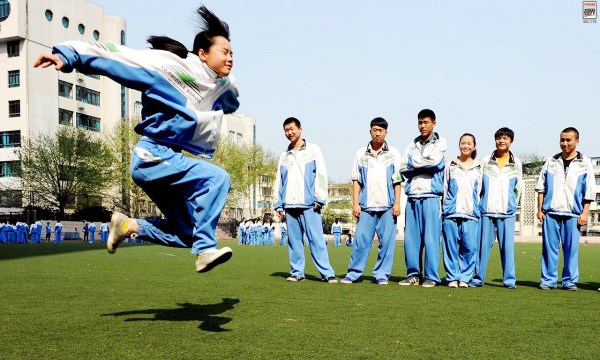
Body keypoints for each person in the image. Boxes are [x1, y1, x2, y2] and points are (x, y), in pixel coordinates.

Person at [34, 6, 238, 273]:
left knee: (185, 232)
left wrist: (227, 103)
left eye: (233, 53)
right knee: (218, 179)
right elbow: (118, 57)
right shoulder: (169, 68)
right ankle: (204, 250)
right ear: (202, 53)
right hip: (152, 156)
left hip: (166, 162)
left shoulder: (221, 84)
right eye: (225, 51)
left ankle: (129, 226)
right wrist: (69, 55)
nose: (231, 57)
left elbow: (230, 99)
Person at [274, 117, 337, 283]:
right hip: (289, 204)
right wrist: (278, 203)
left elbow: (321, 175)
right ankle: (297, 272)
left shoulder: (313, 150)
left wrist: (320, 197)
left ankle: (327, 273)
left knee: (316, 239)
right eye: (286, 130)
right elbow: (278, 180)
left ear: (300, 129)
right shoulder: (284, 155)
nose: (289, 133)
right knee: (294, 241)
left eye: (292, 129)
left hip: (309, 204)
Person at [340, 117, 402, 285]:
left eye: (380, 130)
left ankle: (381, 274)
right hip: (366, 205)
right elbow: (356, 180)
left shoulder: (393, 153)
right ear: (370, 131)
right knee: (361, 241)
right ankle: (353, 273)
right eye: (374, 130)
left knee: (386, 243)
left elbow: (397, 181)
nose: (377, 133)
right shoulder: (361, 153)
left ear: (386, 132)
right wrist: (355, 203)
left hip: (387, 206)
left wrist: (397, 203)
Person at [535, 127, 596, 291]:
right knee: (549, 249)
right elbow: (540, 188)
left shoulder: (585, 163)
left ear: (577, 141)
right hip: (551, 213)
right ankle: (548, 280)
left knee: (571, 250)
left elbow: (589, 191)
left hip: (573, 214)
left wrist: (585, 213)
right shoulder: (551, 161)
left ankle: (569, 281)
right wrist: (540, 209)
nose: (565, 143)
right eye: (562, 140)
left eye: (568, 140)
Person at [469, 128, 523, 289]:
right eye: (499, 138)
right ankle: (478, 278)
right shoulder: (486, 161)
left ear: (511, 141)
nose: (501, 141)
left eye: (505, 138)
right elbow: (478, 185)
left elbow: (518, 187)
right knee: (482, 248)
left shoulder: (516, 163)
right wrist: (479, 205)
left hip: (507, 213)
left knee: (507, 249)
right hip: (487, 211)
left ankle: (509, 280)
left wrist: (512, 203)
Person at [398, 109, 447, 288]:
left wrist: (415, 163)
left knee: (431, 238)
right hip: (412, 196)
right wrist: (423, 164)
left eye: (425, 122)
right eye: (420, 122)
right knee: (411, 239)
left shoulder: (441, 142)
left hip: (431, 197)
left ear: (434, 123)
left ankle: (432, 276)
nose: (422, 126)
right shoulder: (412, 144)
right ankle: (413, 274)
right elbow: (403, 168)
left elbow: (436, 163)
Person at [441, 133, 482, 288]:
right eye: (463, 143)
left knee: (470, 247)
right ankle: (452, 277)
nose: (465, 146)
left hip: (471, 214)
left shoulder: (479, 166)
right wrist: (445, 209)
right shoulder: (450, 165)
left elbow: (480, 190)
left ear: (474, 146)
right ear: (459, 145)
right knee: (450, 247)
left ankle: (464, 277)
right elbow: (445, 188)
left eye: (469, 143)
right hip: (451, 213)